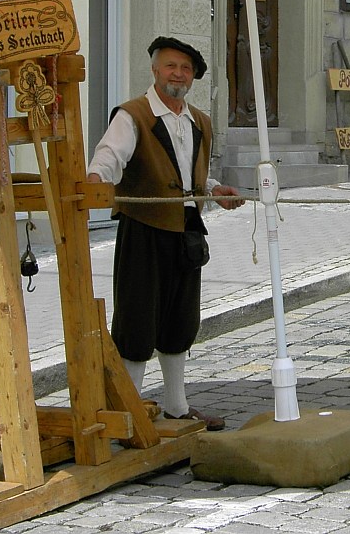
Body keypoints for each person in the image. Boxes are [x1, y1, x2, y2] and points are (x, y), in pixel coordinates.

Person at [86, 36, 242, 430]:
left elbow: (191, 175)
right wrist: (94, 180)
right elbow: (109, 155)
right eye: (171, 66)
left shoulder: (199, 121)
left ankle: (175, 405)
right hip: (144, 230)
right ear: (155, 70)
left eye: (186, 69)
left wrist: (214, 190)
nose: (178, 74)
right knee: (137, 320)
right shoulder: (133, 114)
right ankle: (129, 413)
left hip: (186, 231)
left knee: (180, 319)